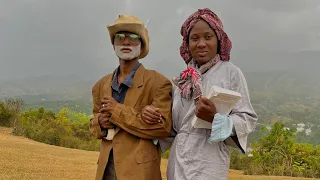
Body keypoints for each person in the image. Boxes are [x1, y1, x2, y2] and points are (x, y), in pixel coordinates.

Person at [142, 8, 258, 180]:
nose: (201, 43)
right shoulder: (184, 80)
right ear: (187, 44)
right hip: (178, 162)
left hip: (209, 163)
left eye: (208, 37)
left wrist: (215, 119)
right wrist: (154, 116)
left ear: (218, 40)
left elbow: (248, 120)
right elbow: (173, 128)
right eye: (194, 38)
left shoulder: (231, 73)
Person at [89, 14, 173, 180]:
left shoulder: (158, 82)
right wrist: (99, 122)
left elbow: (162, 128)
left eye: (133, 37)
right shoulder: (100, 85)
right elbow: (93, 123)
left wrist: (117, 110)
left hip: (141, 172)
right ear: (113, 45)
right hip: (106, 171)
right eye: (120, 37)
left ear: (141, 47)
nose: (126, 42)